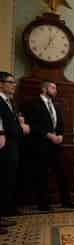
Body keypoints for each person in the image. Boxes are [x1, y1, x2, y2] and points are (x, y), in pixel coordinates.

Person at [26, 81, 74, 211]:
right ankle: (43, 204)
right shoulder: (34, 103)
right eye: (52, 88)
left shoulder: (56, 105)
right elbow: (32, 125)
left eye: (55, 88)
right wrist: (48, 135)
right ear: (44, 89)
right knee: (42, 175)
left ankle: (66, 201)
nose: (55, 90)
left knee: (62, 173)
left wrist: (60, 135)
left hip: (56, 146)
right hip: (40, 145)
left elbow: (60, 123)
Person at [0, 72, 30, 234]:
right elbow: (6, 126)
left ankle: (3, 214)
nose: (13, 85)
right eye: (10, 82)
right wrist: (22, 128)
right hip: (4, 146)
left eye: (14, 82)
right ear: (1, 84)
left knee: (6, 181)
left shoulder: (10, 101)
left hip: (12, 146)